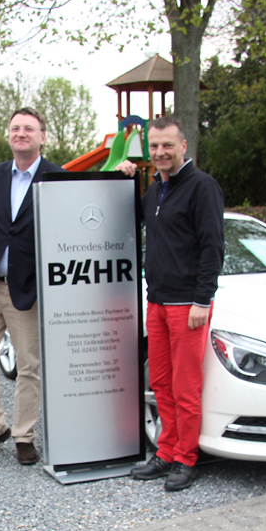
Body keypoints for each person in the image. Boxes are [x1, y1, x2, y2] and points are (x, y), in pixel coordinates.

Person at [114, 116, 224, 491]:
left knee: (185, 387)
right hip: (157, 302)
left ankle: (185, 459)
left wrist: (202, 300)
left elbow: (213, 247)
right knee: (161, 383)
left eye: (167, 145)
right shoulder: (156, 189)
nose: (160, 152)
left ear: (183, 146)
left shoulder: (202, 187)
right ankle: (165, 452)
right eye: (155, 146)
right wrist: (126, 180)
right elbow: (134, 218)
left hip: (187, 305)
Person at [0, 107, 65, 466]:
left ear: (42, 137)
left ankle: (24, 435)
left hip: (28, 290)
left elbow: (64, 233)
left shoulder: (57, 177)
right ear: (9, 134)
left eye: (29, 129)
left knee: (28, 366)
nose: (21, 133)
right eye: (16, 128)